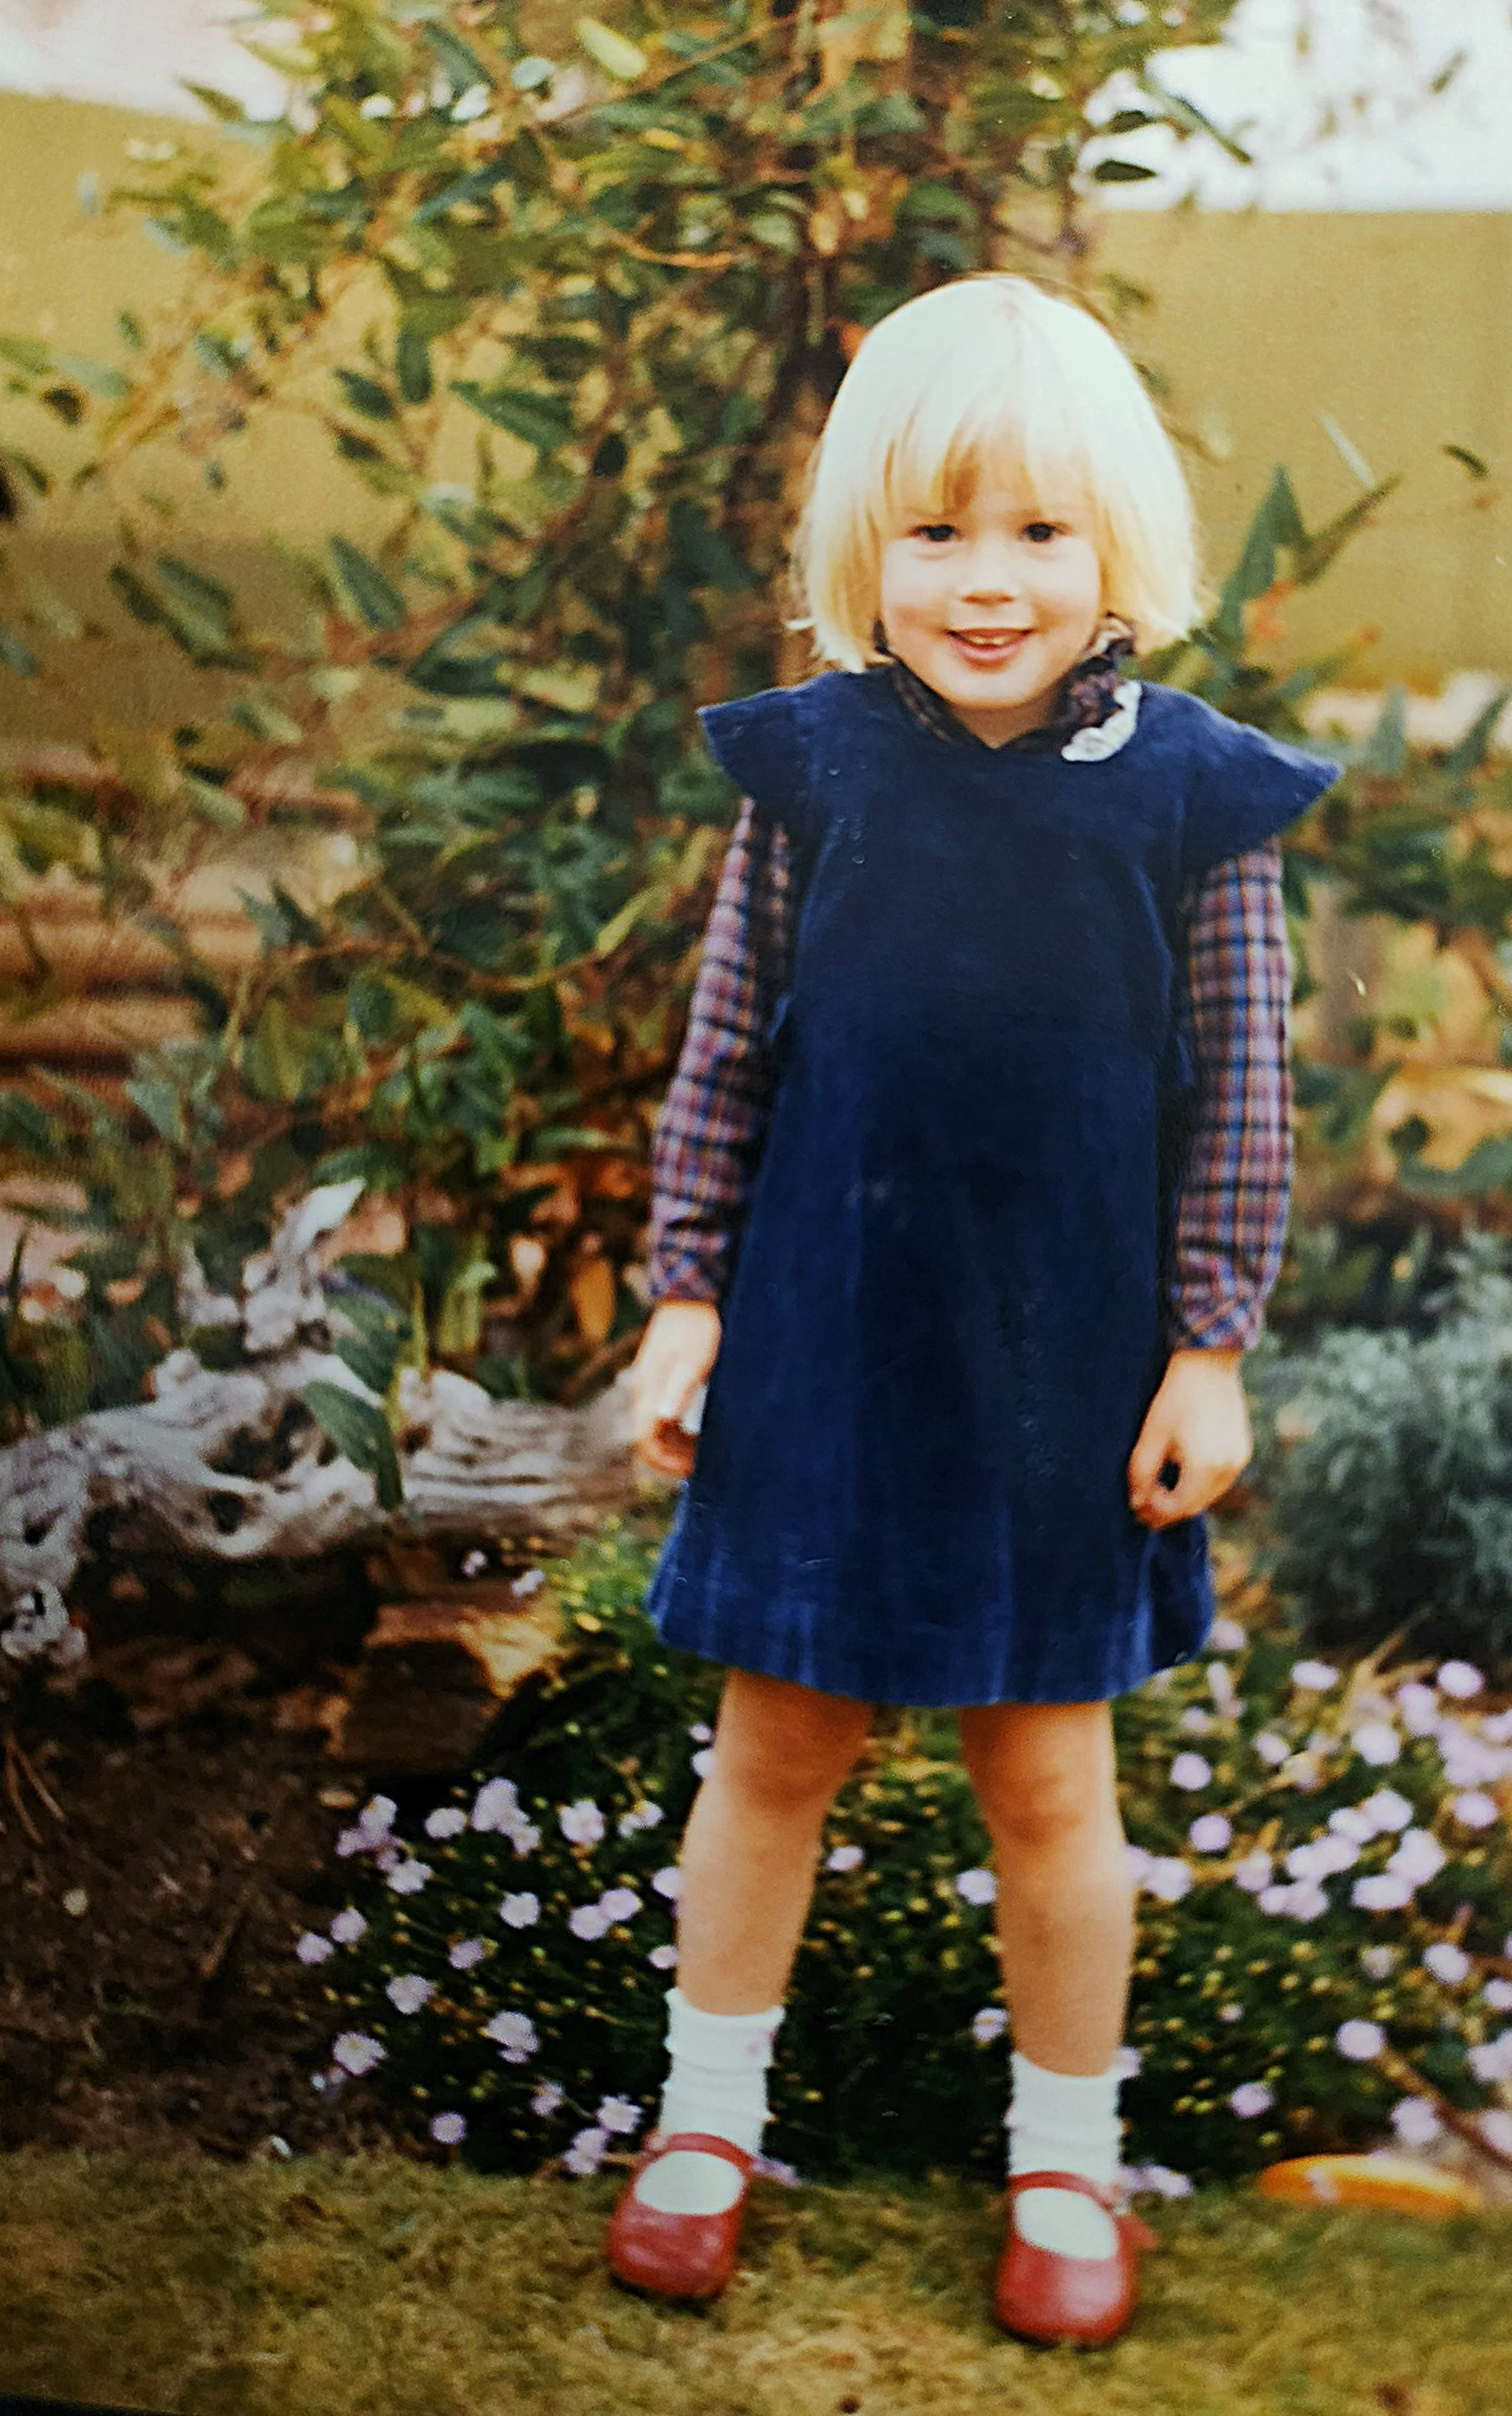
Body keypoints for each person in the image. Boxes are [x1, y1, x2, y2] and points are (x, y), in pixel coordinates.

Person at [604, 272, 1340, 2346]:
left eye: (1037, 531)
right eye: (934, 533)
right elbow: (727, 1050)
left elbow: (1245, 1085)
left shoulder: (1186, 795)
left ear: (1117, 544)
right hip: (829, 1342)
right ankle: (700, 2121)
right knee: (774, 1747)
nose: (988, 581)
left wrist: (1207, 1338)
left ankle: (1062, 2160)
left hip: (1063, 1371)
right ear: (866, 552)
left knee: (1047, 1785)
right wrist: (686, 1297)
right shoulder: (814, 768)